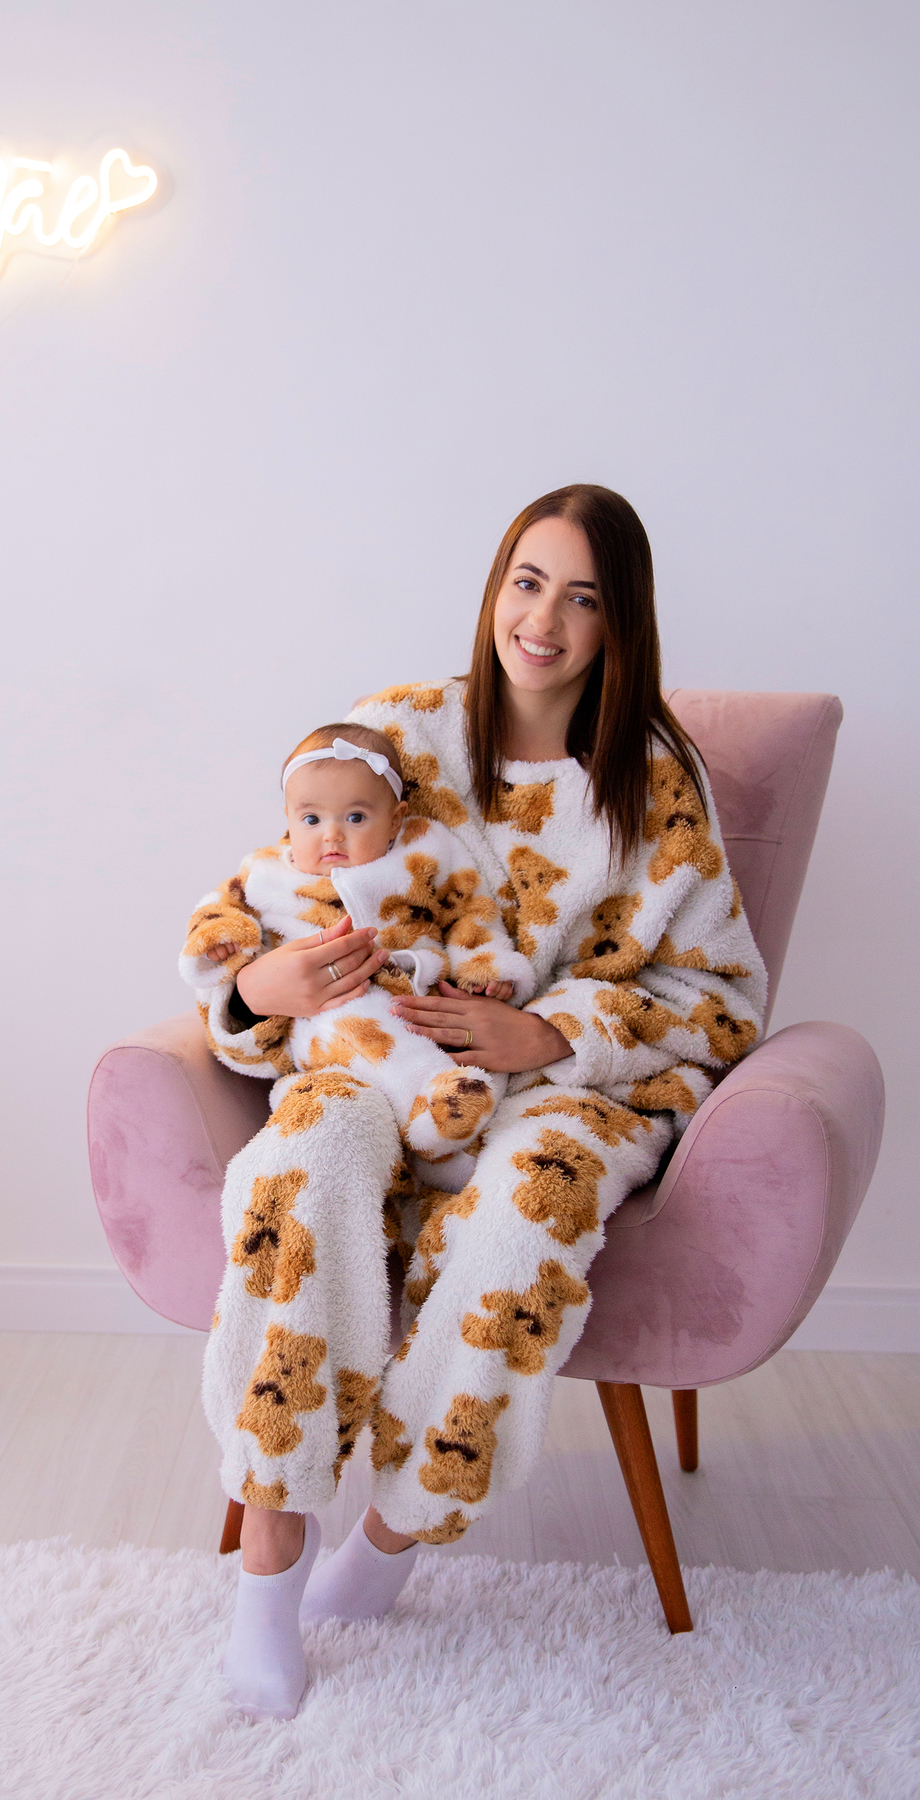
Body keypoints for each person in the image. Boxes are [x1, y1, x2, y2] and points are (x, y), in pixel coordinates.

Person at [193, 485, 766, 1720]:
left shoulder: (657, 784)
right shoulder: (397, 733)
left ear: (622, 624)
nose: (542, 620)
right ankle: (270, 1555)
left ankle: (391, 1541)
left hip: (571, 1092)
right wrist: (258, 986)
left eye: (582, 597)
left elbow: (723, 994)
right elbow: (265, 892)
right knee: (303, 1163)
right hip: (375, 1059)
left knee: (526, 1214)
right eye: (525, 580)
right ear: (493, 582)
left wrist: (552, 1031)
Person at [179, 721, 532, 1182]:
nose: (332, 835)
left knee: (456, 1048)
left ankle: (450, 1139)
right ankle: (434, 1115)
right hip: (320, 1022)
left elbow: (470, 908)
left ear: (395, 819)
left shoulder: (424, 852)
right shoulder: (265, 875)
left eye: (356, 818)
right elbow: (216, 914)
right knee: (352, 1027)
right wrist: (221, 942)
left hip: (423, 1006)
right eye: (311, 819)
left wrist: (485, 968)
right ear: (288, 817)